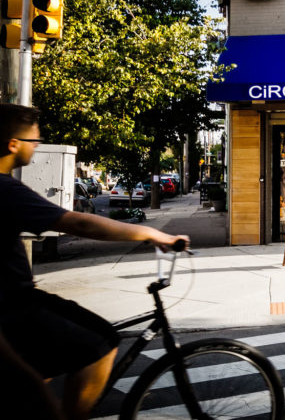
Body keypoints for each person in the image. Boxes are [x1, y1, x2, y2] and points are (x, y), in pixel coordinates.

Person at [0, 104, 189, 420]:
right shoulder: (6, 189)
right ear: (12, 144)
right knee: (100, 341)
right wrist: (152, 234)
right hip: (14, 305)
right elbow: (80, 224)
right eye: (34, 141)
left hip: (14, 303)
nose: (37, 147)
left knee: (38, 374)